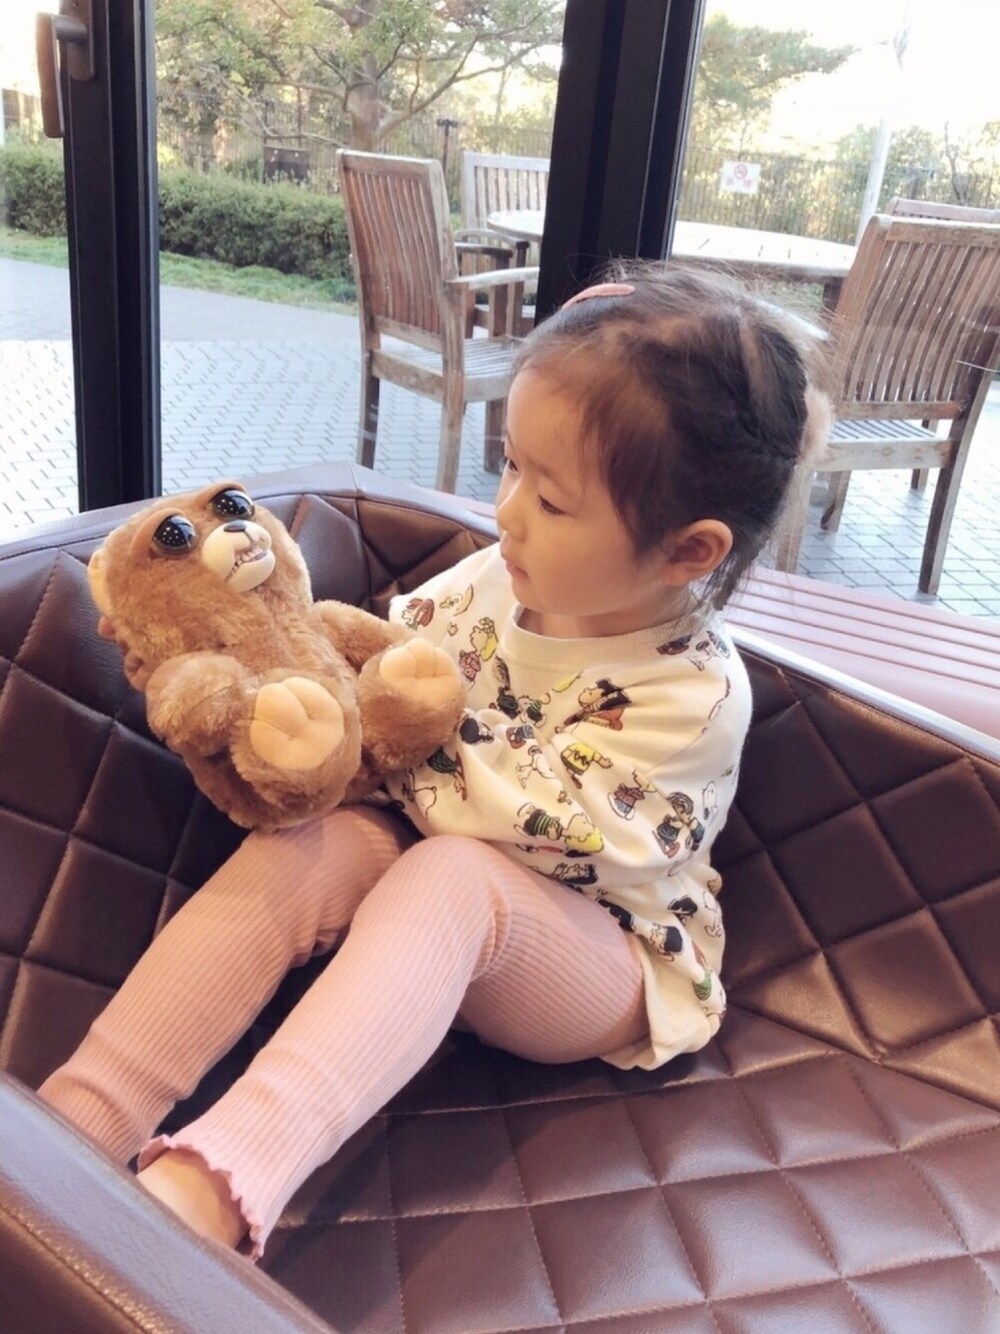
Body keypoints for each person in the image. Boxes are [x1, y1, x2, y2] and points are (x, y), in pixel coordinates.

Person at [39, 266, 830, 1258]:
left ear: (687, 552)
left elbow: (549, 829)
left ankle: (212, 1187)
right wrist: (276, 681)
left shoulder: (690, 690)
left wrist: (386, 736)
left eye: (551, 498)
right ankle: (71, 1126)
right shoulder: (503, 573)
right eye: (510, 466)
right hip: (434, 879)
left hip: (605, 958)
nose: (507, 512)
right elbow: (387, 662)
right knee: (317, 843)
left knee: (454, 874)